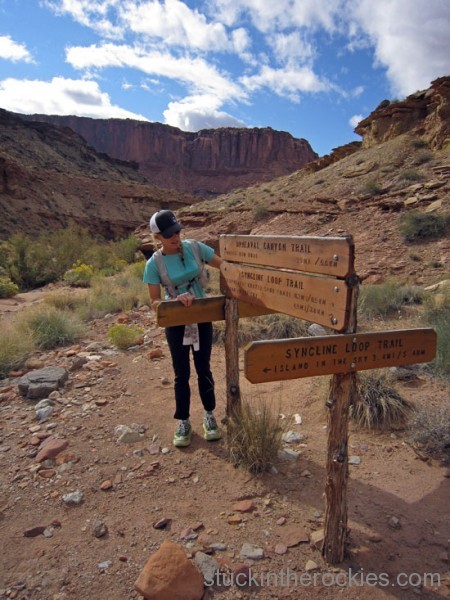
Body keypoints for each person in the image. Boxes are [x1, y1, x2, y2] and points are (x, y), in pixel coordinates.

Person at [143, 209, 223, 448]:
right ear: (158, 237)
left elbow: (224, 266)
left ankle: (209, 415)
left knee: (204, 368)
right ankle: (184, 420)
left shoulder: (196, 248)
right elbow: (154, 301)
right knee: (181, 374)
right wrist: (173, 301)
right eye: (169, 234)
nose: (175, 237)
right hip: (176, 321)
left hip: (202, 316)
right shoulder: (154, 264)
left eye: (177, 231)